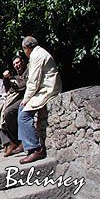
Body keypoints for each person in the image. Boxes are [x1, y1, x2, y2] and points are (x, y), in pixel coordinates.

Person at [18, 36, 62, 164]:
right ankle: (26, 144)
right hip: (44, 88)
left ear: (26, 48)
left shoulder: (37, 55)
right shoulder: (39, 52)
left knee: (24, 116)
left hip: (48, 89)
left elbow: (33, 81)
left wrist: (26, 98)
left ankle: (36, 149)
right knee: (21, 110)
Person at [1, 55, 28, 157]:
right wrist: (6, 79)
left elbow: (23, 86)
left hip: (25, 97)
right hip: (13, 98)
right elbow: (8, 89)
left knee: (9, 112)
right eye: (14, 64)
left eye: (17, 63)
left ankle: (18, 141)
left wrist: (12, 80)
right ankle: (10, 143)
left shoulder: (27, 72)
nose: (16, 65)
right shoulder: (16, 76)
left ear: (22, 62)